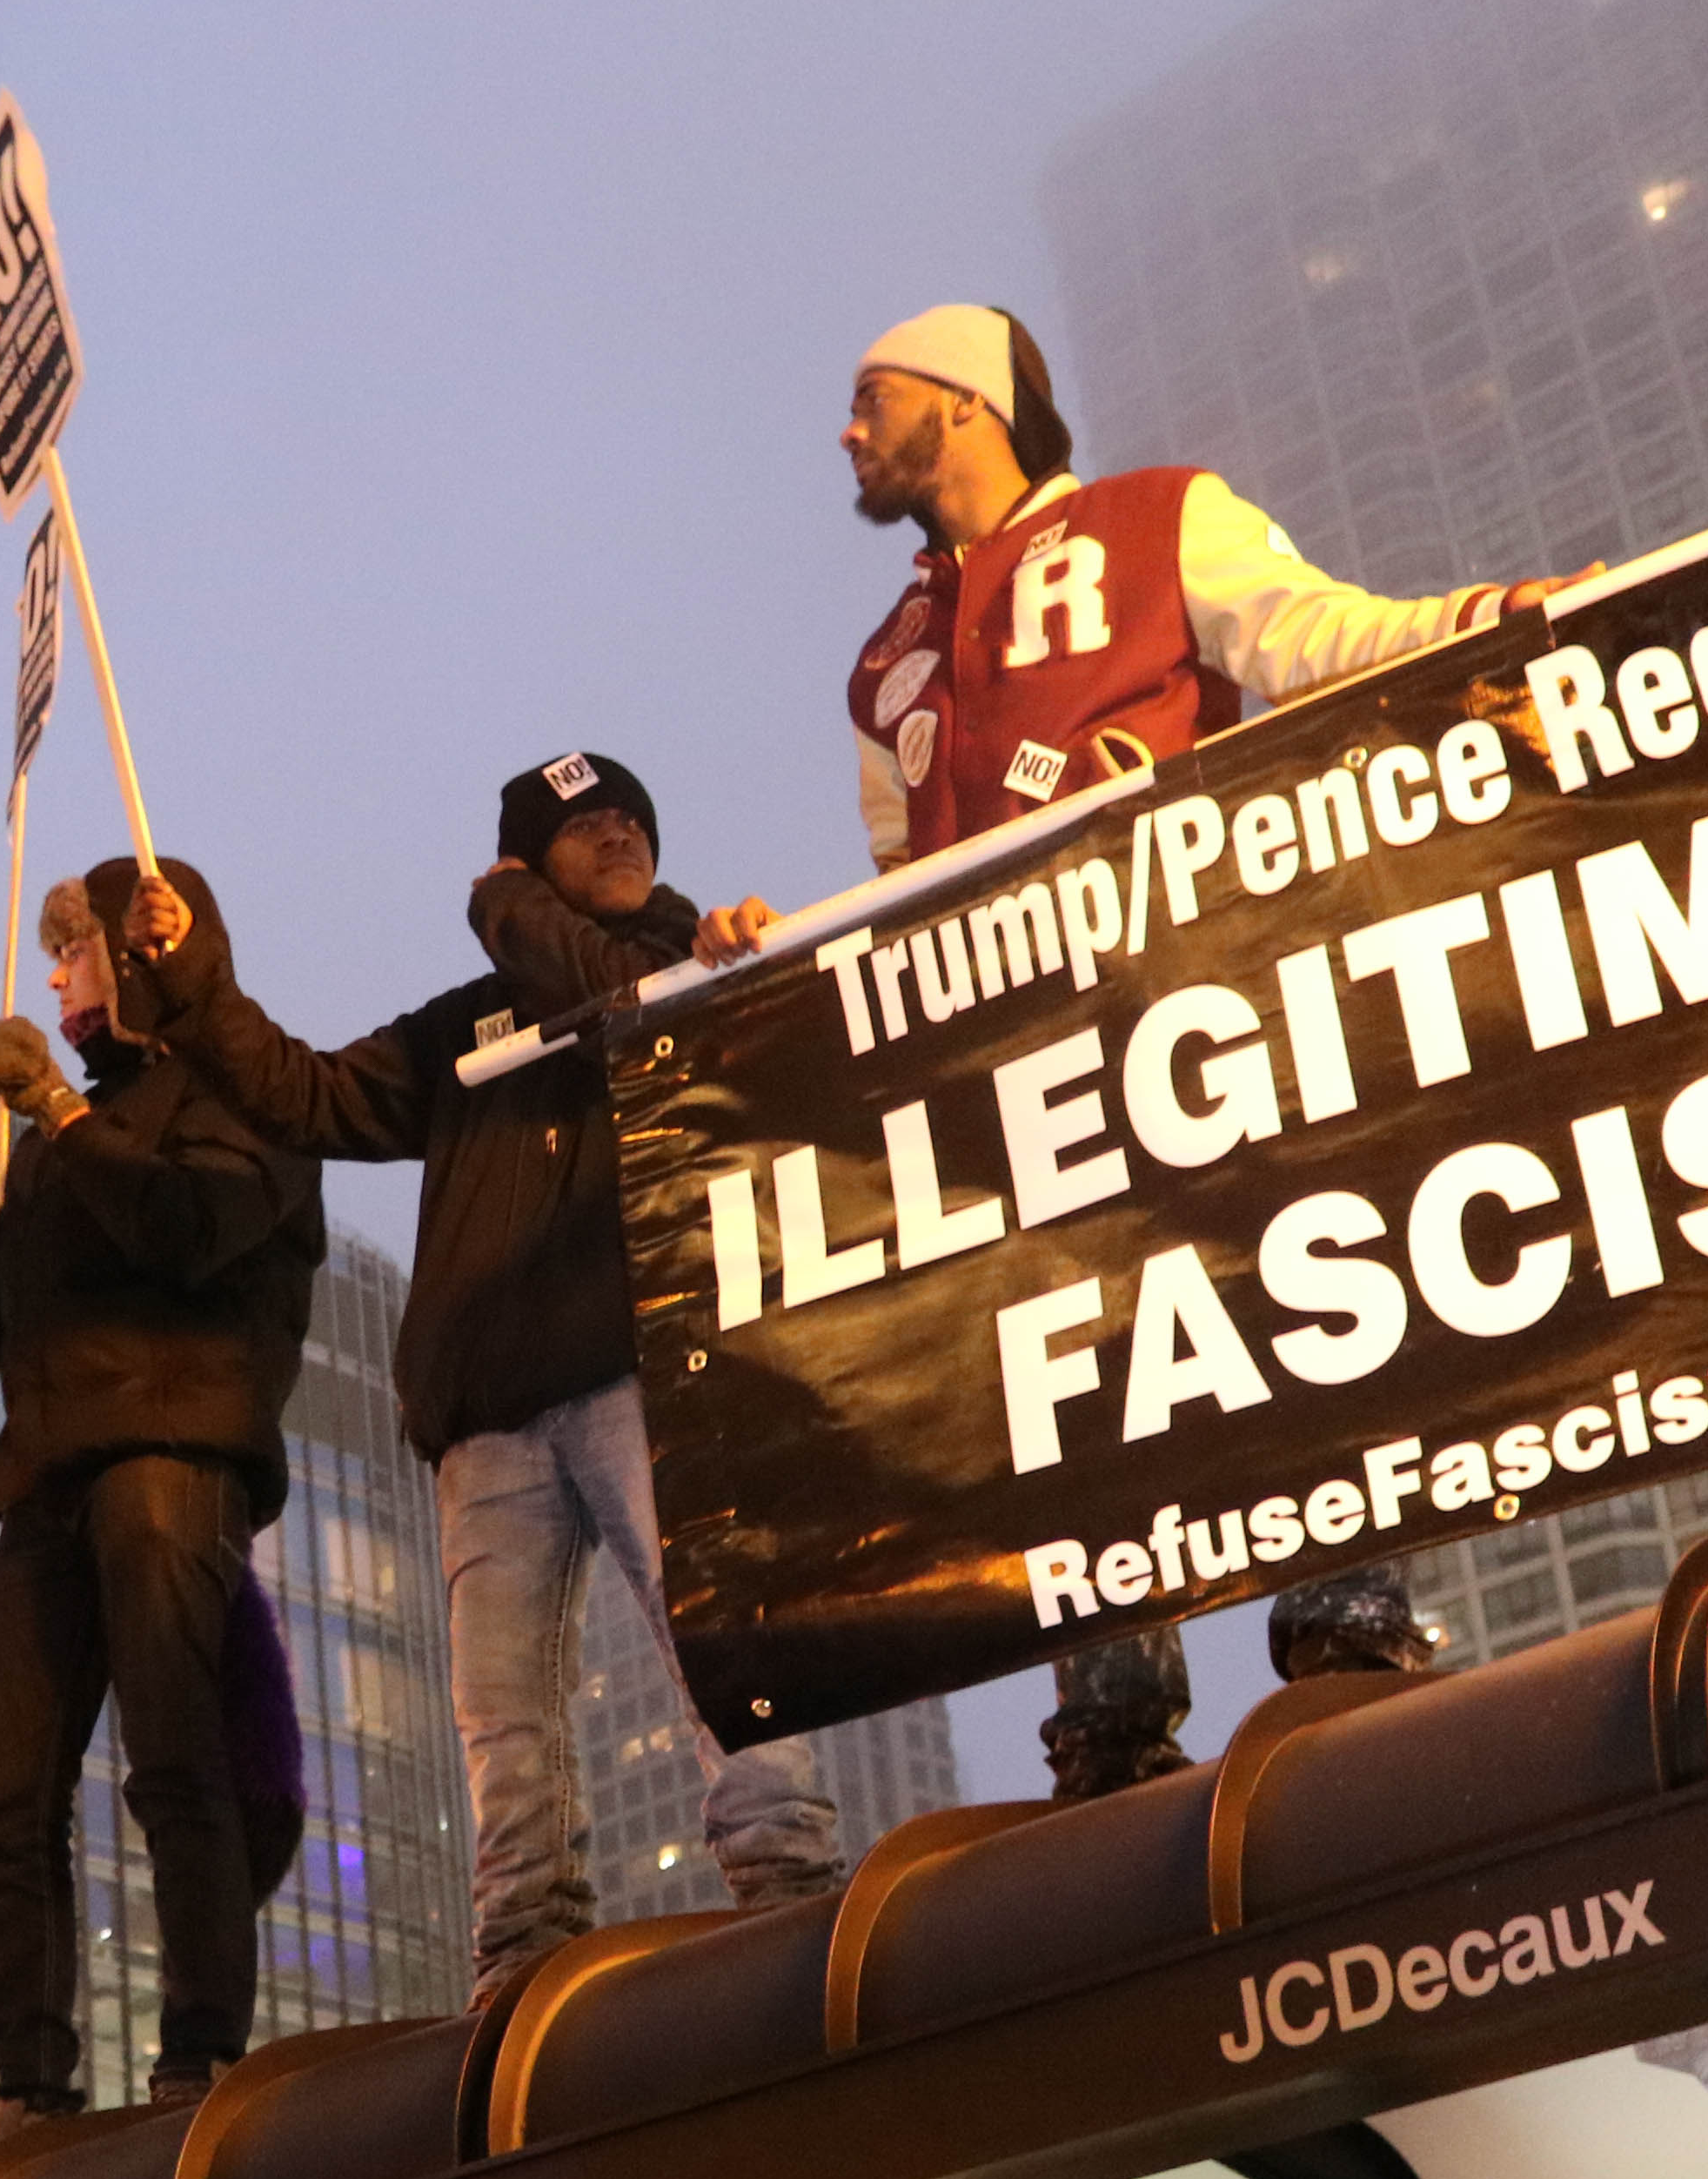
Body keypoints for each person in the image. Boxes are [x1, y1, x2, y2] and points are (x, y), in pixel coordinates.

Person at [798, 301, 1575, 1793]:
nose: (847, 429)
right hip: (1012, 1065)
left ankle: (1345, 1629)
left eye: (870, 394)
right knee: (1072, 1370)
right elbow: (898, 881)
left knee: (1287, 1277)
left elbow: (1316, 638)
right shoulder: (883, 661)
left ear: (963, 403)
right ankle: (1110, 1715)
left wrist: (1489, 623)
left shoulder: (1161, 522)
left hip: (1196, 999)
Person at [115, 751, 844, 1999]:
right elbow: (311, 1095)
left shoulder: (705, 963)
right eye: (583, 824)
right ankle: (524, 1945)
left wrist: (506, 908)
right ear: (525, 858)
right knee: (500, 1709)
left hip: (648, 1371)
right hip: (490, 1411)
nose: (618, 832)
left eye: (631, 816)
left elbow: (625, 999)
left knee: (721, 1629)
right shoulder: (469, 1027)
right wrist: (194, 974)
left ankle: (787, 1882)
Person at [0, 859, 326, 2129]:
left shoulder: (247, 1090)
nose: (54, 975)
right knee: (8, 1793)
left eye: (74, 953)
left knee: (177, 1754)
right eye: (55, 955)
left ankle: (201, 2056)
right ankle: (33, 2089)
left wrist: (59, 1107)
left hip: (174, 1451)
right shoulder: (71, 1138)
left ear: (138, 956)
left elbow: (188, 1229)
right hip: (49, 1474)